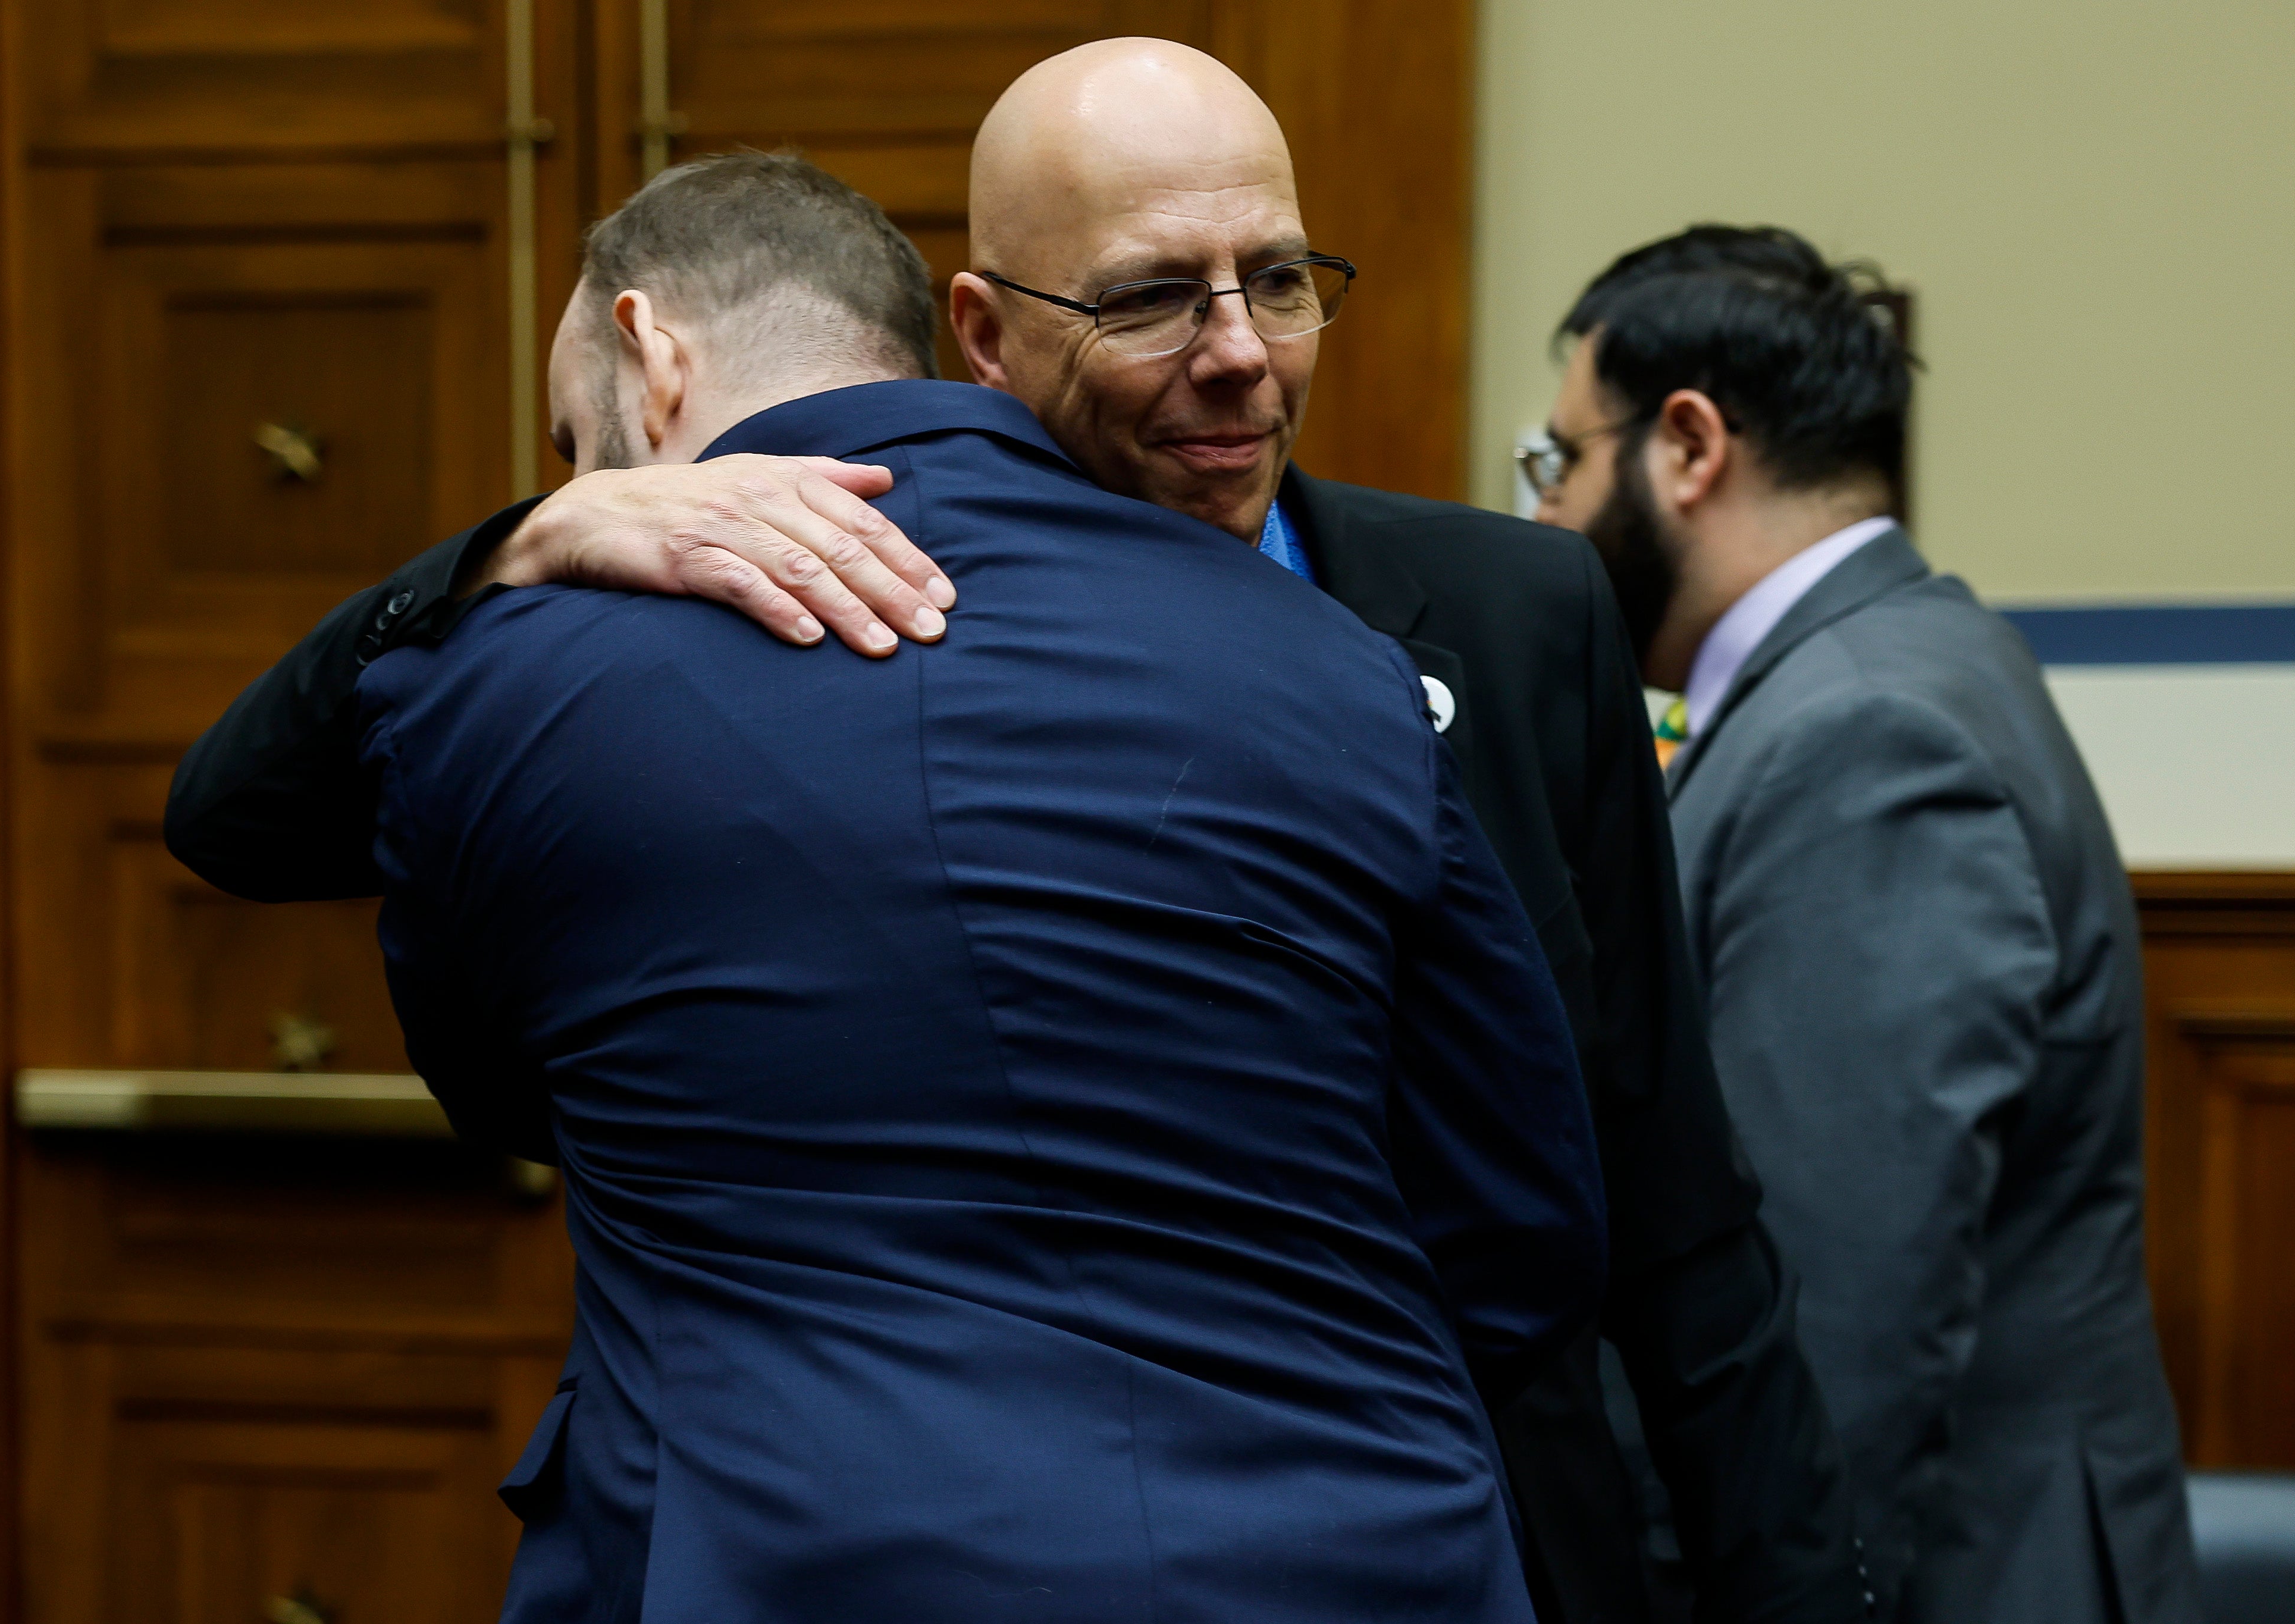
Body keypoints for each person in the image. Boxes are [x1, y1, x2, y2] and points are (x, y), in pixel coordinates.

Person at [168, 41, 1868, 1624]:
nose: (1238, 352)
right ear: (979, 336)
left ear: (651, 362)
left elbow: (1631, 1183)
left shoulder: (1472, 629)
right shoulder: (580, 655)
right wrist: (533, 537)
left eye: (1278, 281)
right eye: (1146, 298)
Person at [372, 149, 1604, 1622]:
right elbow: (1521, 1215)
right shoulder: (1340, 663)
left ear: (653, 361)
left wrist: (517, 553)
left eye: (578, 450)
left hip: (785, 1556)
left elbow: (503, 1084)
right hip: (1340, 1552)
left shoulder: (504, 686)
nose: (586, 498)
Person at [1531, 224, 2199, 1624]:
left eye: (1561, 462)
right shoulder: (1903, 658)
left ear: (1688, 446)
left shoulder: (1863, 730)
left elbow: (1833, 1307)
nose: (1547, 518)